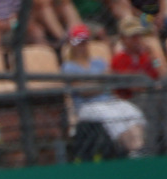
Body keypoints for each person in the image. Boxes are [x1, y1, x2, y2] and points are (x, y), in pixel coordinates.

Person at [110, 16, 167, 152]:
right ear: (123, 39)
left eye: (138, 35)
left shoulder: (147, 55)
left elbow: (164, 74)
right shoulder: (119, 59)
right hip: (134, 100)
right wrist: (155, 86)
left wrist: (154, 58)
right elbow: (134, 87)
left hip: (157, 94)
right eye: (132, 36)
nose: (137, 39)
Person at [62, 22, 144, 154]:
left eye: (84, 41)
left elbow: (109, 81)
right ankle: (132, 150)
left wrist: (97, 84)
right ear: (72, 44)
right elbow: (85, 92)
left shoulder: (98, 62)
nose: (82, 46)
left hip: (108, 100)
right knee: (110, 116)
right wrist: (102, 83)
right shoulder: (69, 66)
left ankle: (138, 149)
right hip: (87, 106)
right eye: (78, 42)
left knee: (129, 110)